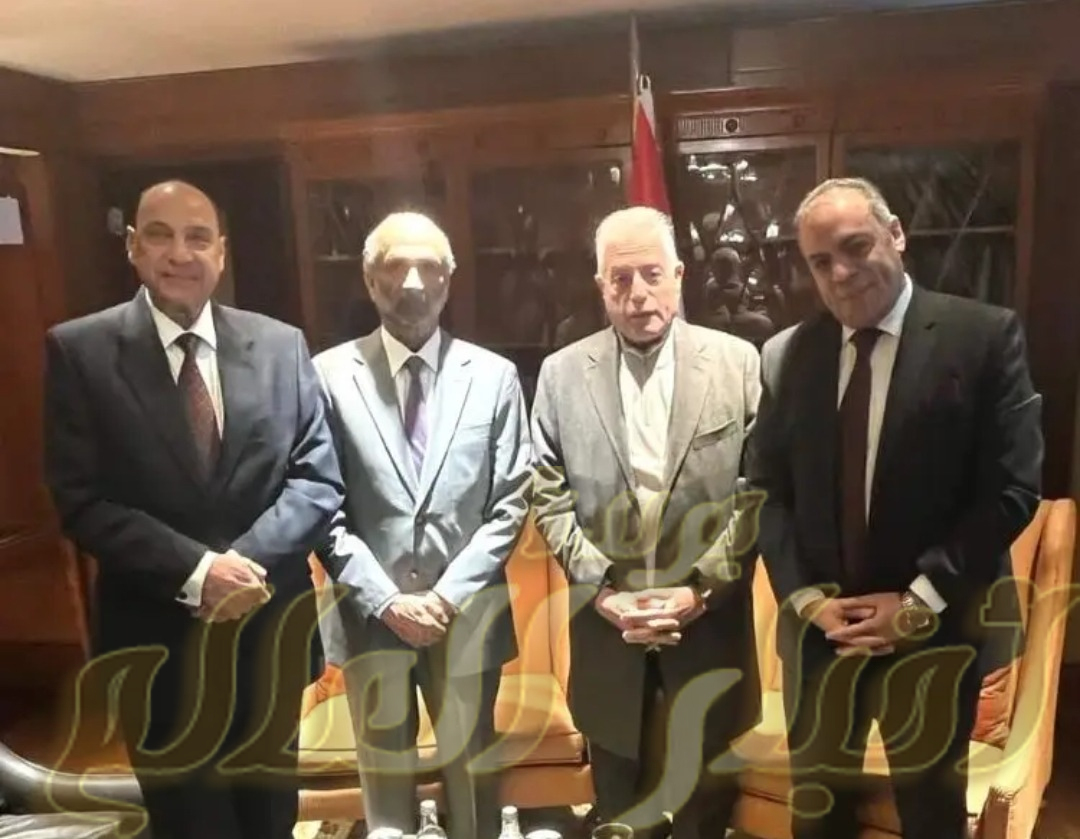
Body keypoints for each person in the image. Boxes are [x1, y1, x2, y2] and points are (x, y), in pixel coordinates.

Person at [42, 180, 345, 839]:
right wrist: (197, 571)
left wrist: (240, 566)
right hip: (155, 647)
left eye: (197, 237)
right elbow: (80, 499)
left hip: (268, 635)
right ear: (132, 246)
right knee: (188, 823)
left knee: (270, 820)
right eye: (160, 235)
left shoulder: (282, 345)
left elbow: (316, 479)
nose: (180, 253)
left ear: (222, 252)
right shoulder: (80, 351)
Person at [747, 177, 1043, 839]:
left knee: (931, 820)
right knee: (819, 821)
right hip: (822, 638)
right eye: (821, 261)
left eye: (856, 247)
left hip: (934, 632)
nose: (841, 273)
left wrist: (917, 600)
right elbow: (764, 490)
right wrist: (805, 598)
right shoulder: (790, 354)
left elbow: (1011, 489)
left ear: (896, 234)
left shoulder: (982, 337)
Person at [530, 206, 762, 839]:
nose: (638, 294)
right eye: (621, 279)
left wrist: (701, 590)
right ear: (600, 285)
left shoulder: (739, 364)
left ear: (680, 276)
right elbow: (547, 493)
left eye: (652, 274)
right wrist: (603, 590)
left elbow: (759, 493)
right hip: (609, 636)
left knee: (704, 815)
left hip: (709, 632)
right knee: (622, 814)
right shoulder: (560, 375)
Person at [313, 211, 532, 839]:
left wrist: (443, 597)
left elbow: (511, 501)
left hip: (465, 616)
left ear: (449, 279)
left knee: (473, 797)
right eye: (395, 265)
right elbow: (321, 505)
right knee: (385, 803)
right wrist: (386, 600)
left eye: (428, 266)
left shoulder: (493, 377)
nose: (412, 281)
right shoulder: (327, 376)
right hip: (368, 617)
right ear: (369, 278)